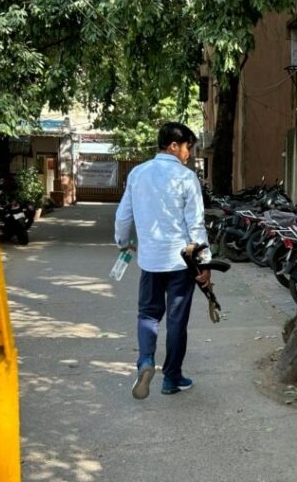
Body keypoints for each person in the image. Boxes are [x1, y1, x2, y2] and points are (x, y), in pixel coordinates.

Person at [115, 122, 211, 400]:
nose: (188, 155)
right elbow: (196, 225)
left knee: (147, 314)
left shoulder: (137, 174)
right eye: (187, 148)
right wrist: (204, 264)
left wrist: (123, 243)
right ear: (174, 146)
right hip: (182, 263)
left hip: (150, 261)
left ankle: (145, 361)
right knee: (177, 322)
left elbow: (123, 216)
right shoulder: (186, 178)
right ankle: (171, 378)